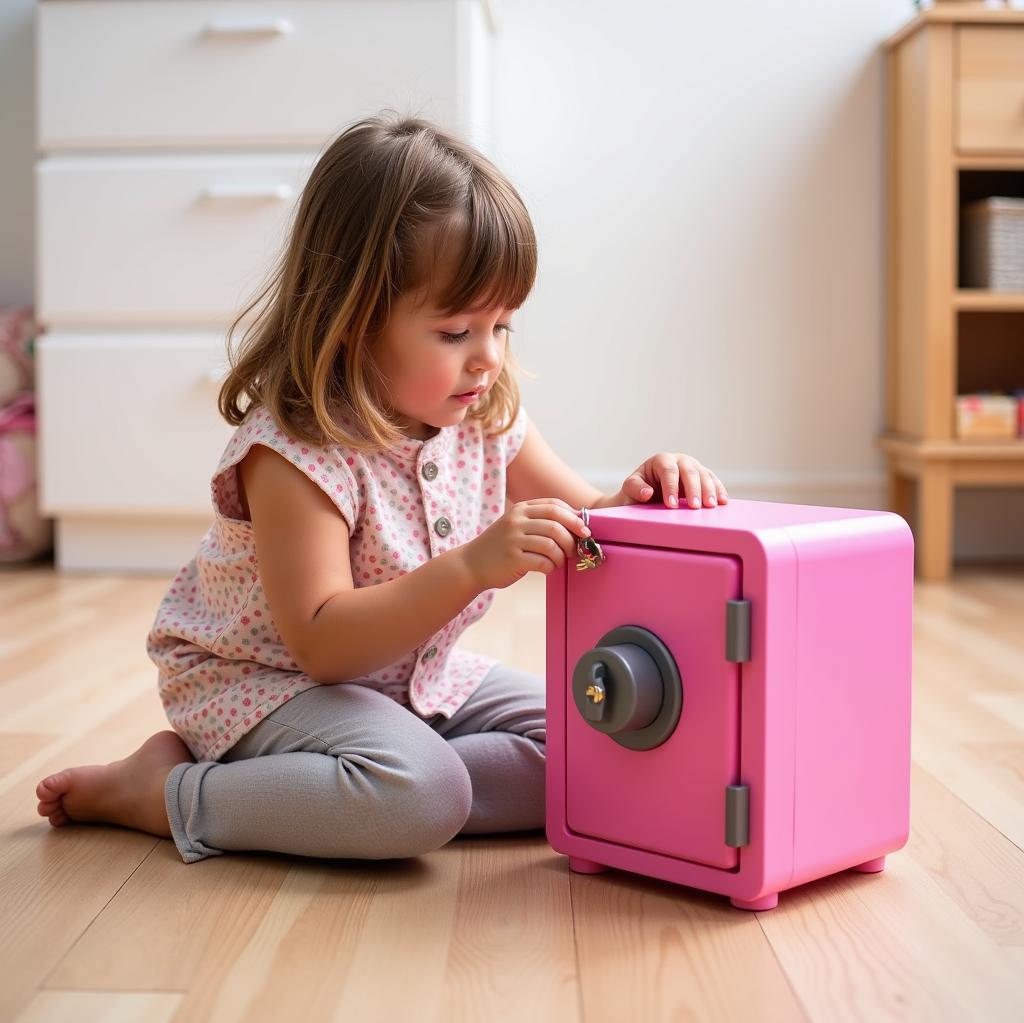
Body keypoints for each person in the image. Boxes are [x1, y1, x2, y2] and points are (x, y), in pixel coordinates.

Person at [34, 112, 728, 864]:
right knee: (421, 793)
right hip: (266, 684)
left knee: (596, 743)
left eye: (503, 327)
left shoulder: (486, 416)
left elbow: (591, 528)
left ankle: (358, 785)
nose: (487, 359)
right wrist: (470, 568)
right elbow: (325, 645)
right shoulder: (296, 451)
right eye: (456, 332)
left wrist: (645, 493)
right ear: (353, 319)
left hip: (413, 685)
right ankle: (169, 794)